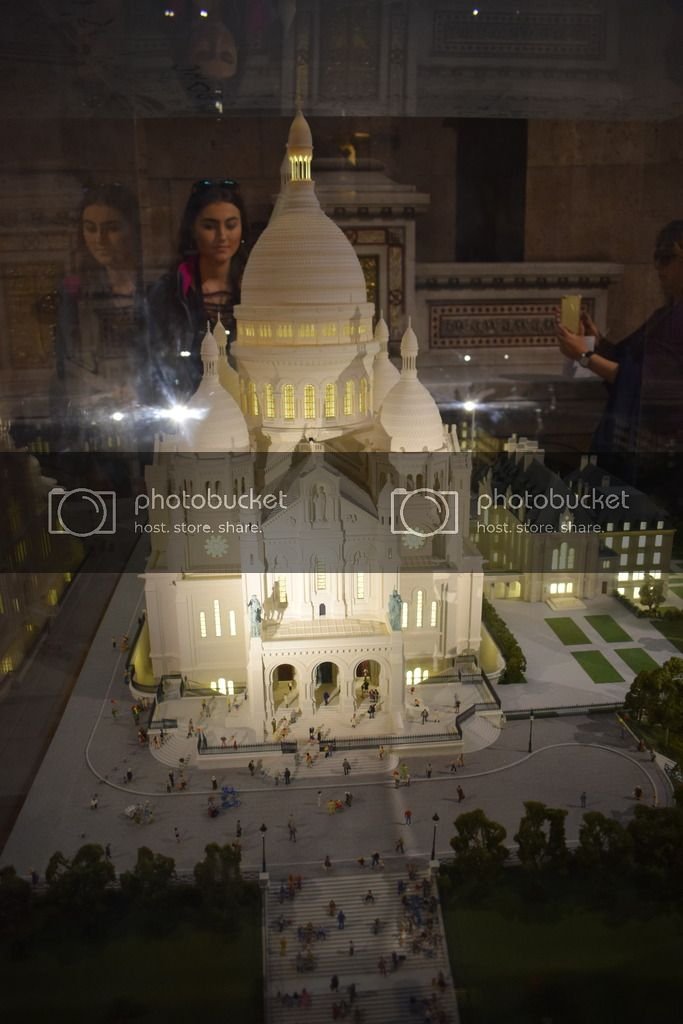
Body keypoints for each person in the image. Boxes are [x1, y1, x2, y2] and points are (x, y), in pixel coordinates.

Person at [556, 221, 683, 496]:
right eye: (655, 257)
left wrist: (587, 356)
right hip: (633, 441)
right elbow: (630, 362)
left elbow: (656, 383)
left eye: (666, 257)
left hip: (659, 453)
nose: (658, 267)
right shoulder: (665, 314)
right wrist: (596, 342)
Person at [53, 183, 147, 430]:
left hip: (151, 408)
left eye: (112, 228)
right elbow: (67, 358)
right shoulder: (74, 291)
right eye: (90, 229)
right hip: (98, 413)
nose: (99, 240)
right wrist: (107, 390)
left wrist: (140, 388)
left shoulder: (155, 287)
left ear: (133, 229)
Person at [147, 179, 250, 403]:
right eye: (210, 226)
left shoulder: (255, 287)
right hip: (189, 405)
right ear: (193, 229)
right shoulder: (170, 292)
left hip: (247, 403)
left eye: (231, 225)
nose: (222, 236)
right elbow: (158, 362)